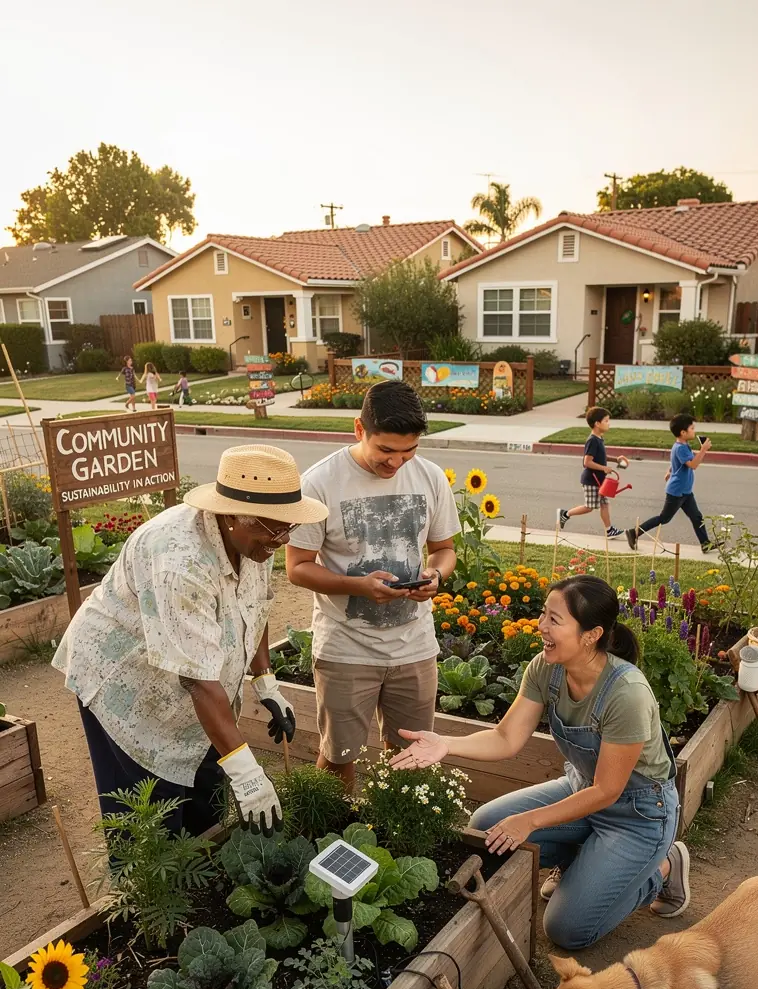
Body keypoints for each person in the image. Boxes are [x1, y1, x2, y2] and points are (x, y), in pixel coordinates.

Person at [391, 575, 689, 951]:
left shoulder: (626, 694)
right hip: (582, 790)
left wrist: (529, 820)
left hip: (637, 816)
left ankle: (663, 869)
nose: (541, 626)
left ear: (591, 634)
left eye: (555, 619)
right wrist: (446, 745)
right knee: (487, 829)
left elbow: (608, 790)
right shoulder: (546, 669)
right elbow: (505, 738)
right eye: (543, 614)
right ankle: (583, 860)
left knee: (566, 930)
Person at [52, 444, 327, 835]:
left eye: (290, 526)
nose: (283, 538)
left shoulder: (254, 542)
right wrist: (249, 775)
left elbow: (255, 608)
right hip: (130, 689)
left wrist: (266, 682)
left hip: (196, 691)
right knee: (151, 813)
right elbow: (197, 680)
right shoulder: (180, 561)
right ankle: (146, 892)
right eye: (274, 527)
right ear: (231, 514)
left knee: (206, 796)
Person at [286, 379, 459, 789]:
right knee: (338, 759)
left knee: (412, 758)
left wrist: (435, 575)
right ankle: (333, 838)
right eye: (386, 450)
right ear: (359, 430)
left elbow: (444, 549)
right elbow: (297, 567)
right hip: (346, 648)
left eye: (409, 451)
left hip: (414, 646)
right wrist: (358, 586)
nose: (397, 463)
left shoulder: (431, 477)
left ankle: (391, 839)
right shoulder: (320, 482)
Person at [626, 413, 714, 552]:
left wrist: (670, 470)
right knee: (664, 518)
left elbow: (678, 462)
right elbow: (693, 465)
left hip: (685, 491)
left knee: (697, 517)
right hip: (677, 491)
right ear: (683, 432)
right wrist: (703, 450)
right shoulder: (680, 448)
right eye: (692, 428)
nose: (694, 431)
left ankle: (705, 544)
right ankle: (634, 532)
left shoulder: (683, 445)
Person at [557, 406, 628, 539]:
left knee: (604, 504)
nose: (609, 423)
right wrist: (603, 468)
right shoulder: (592, 440)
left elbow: (600, 457)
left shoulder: (599, 438)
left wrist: (615, 459)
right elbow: (587, 462)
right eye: (606, 421)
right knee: (589, 507)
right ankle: (565, 514)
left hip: (599, 480)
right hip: (591, 480)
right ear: (597, 423)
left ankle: (609, 530)